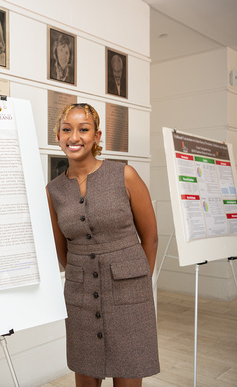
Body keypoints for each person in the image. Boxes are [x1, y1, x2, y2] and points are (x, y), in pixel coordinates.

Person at [46, 103, 159, 387]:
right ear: (58, 136)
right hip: (81, 296)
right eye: (66, 130)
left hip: (129, 294)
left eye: (83, 129)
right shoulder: (53, 191)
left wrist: (138, 281)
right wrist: (81, 272)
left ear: (96, 136)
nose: (74, 137)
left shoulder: (125, 175)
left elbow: (151, 237)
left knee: (129, 376)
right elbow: (62, 251)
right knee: (85, 375)